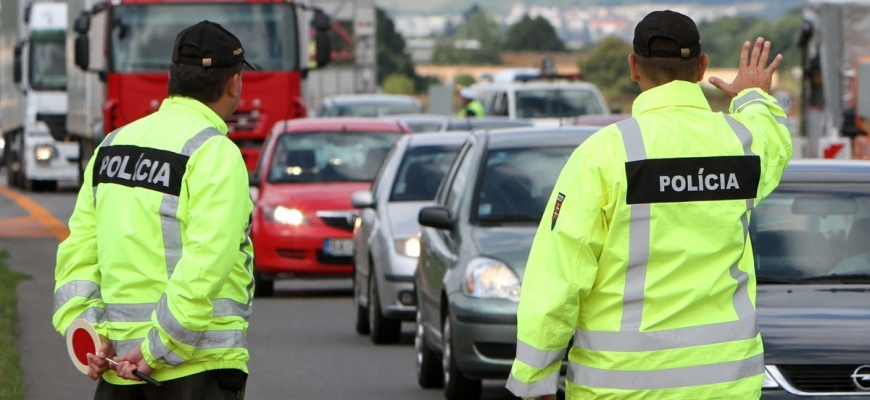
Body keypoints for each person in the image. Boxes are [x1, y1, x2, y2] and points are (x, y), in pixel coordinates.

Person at [506, 10, 793, 400]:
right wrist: (753, 96)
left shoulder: (603, 154)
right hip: (724, 387)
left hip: (620, 388)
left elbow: (559, 275)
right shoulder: (740, 144)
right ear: (702, 67)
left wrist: (535, 379)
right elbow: (773, 143)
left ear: (633, 67)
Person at [52, 20, 255, 400]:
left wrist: (86, 331)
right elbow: (204, 264)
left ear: (171, 77)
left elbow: (78, 252)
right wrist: (157, 350)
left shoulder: (112, 147)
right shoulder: (215, 153)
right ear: (234, 83)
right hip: (194, 370)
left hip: (116, 374)